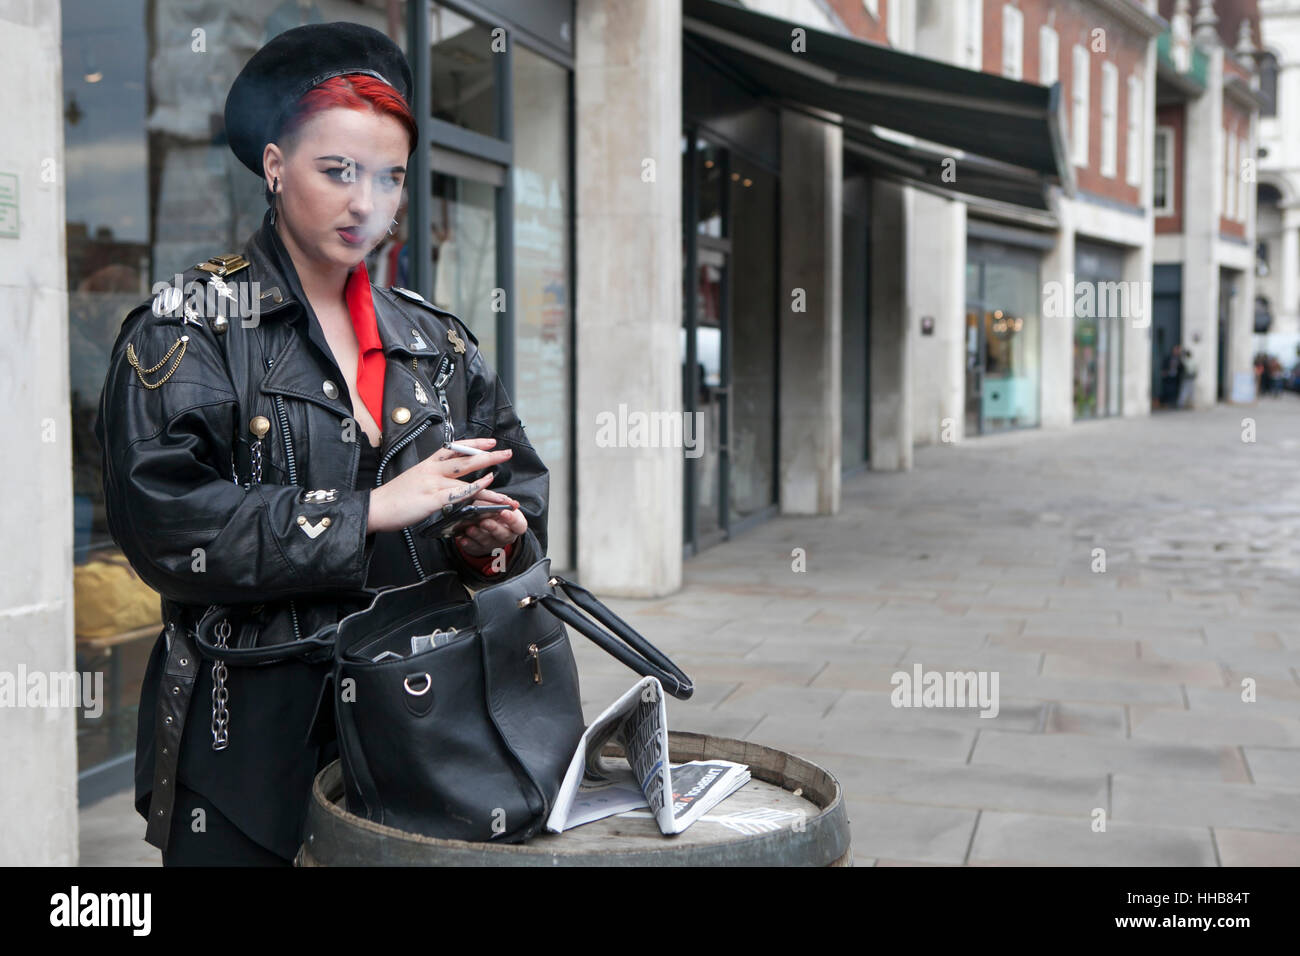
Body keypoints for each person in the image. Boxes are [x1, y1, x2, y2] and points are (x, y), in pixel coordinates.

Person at [93, 22, 549, 866]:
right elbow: (167, 527)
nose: (364, 202)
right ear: (273, 166)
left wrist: (492, 540)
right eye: (336, 171)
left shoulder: (435, 340)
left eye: (388, 178)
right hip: (244, 756)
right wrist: (367, 511)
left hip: (424, 736)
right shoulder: (185, 329)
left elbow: (517, 486)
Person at [1159, 343, 1182, 408]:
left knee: (1174, 390)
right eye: (1176, 350)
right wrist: (1164, 372)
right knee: (1167, 389)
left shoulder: (1179, 359)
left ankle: (1172, 403)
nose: (1177, 351)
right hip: (1168, 376)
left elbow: (1181, 368)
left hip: (1175, 377)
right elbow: (1164, 365)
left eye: (1178, 350)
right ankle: (1165, 403)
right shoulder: (1169, 357)